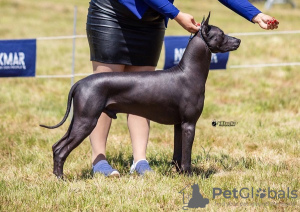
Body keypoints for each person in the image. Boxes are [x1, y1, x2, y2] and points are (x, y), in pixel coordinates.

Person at [86, 0, 279, 177]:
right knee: (105, 89)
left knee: (142, 92)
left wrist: (254, 14)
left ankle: (140, 160)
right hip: (112, 14)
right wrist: (176, 14)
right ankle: (99, 160)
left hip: (151, 21)